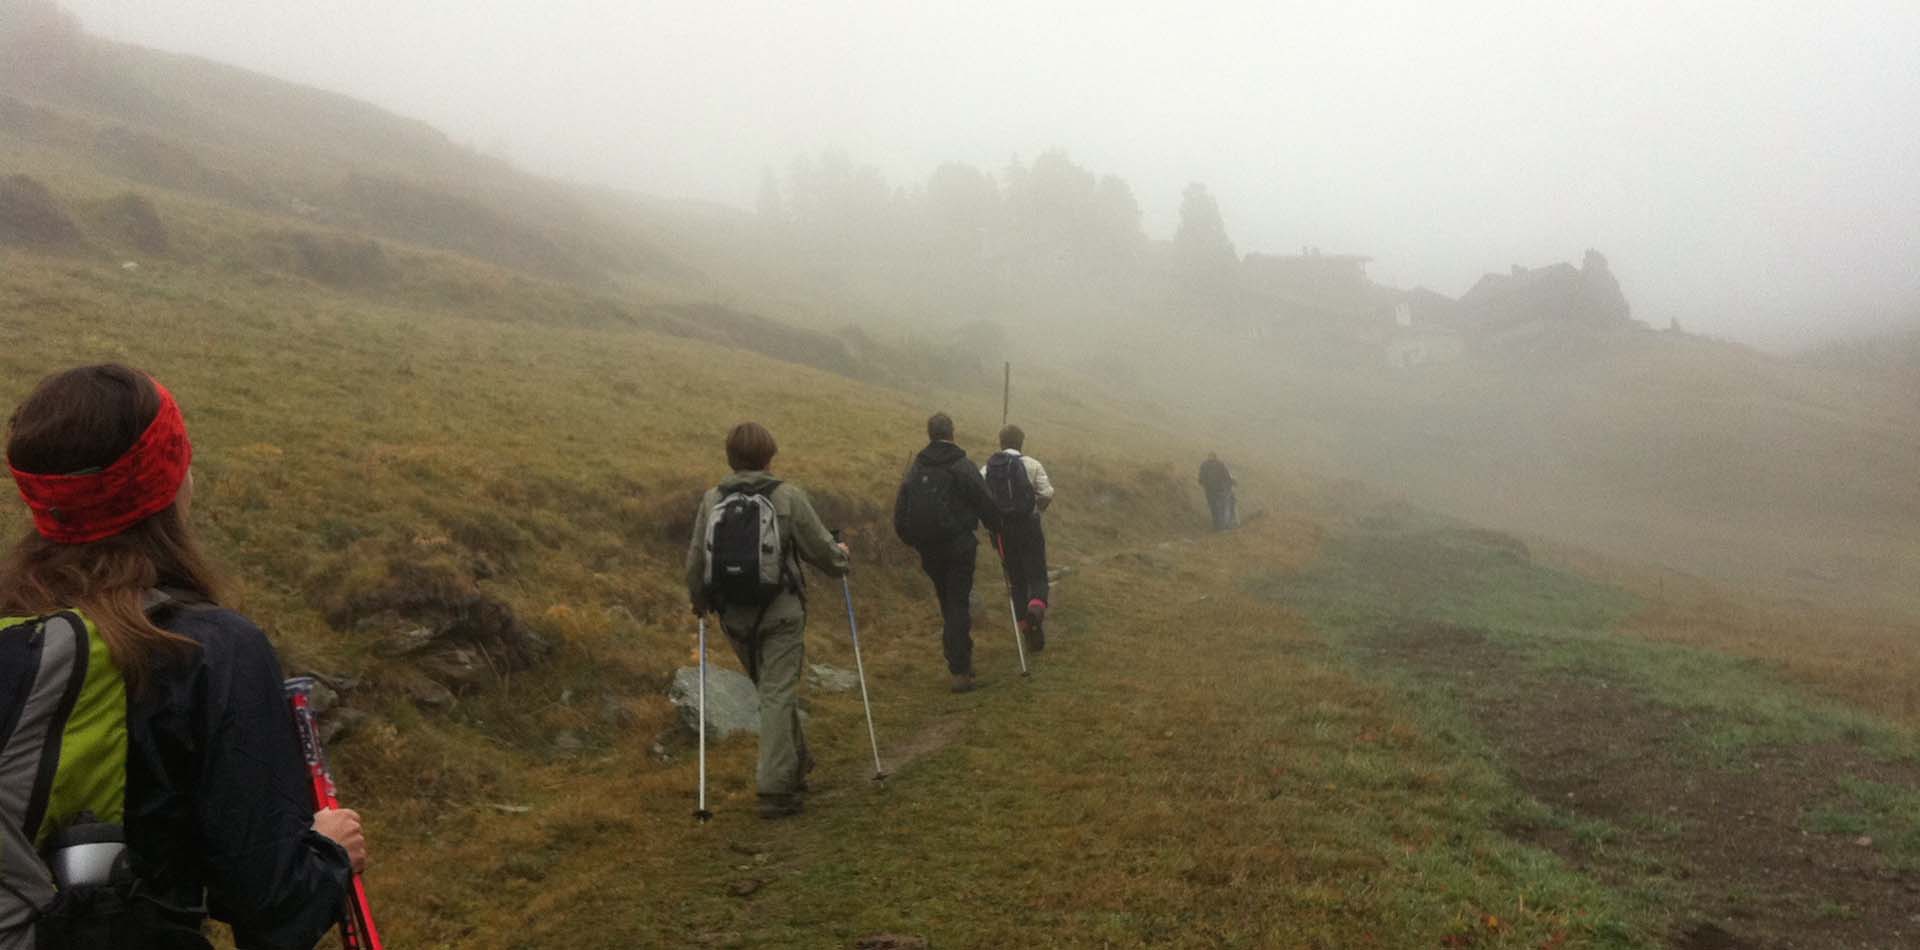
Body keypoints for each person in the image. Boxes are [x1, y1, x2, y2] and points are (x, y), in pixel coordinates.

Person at [0, 364, 364, 949]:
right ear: (167, 483)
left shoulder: (13, 629)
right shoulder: (208, 649)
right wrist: (329, 851)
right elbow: (273, 909)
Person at [684, 422, 849, 819]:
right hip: (780, 613)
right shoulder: (787, 497)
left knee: (772, 692)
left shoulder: (712, 499)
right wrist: (842, 556)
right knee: (777, 694)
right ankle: (775, 789)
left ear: (730, 457)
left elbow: (695, 561)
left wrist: (699, 601)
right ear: (769, 456)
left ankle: (796, 763)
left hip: (733, 618)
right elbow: (822, 552)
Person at [893, 412, 1001, 693]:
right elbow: (984, 499)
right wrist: (996, 527)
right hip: (958, 544)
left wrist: (912, 540)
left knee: (947, 601)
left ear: (930, 434)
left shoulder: (917, 467)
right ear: (952, 432)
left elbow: (901, 511)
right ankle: (960, 670)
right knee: (957, 603)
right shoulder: (961, 464)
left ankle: (960, 660)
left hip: (928, 547)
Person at [982, 425, 1054, 653]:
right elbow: (1047, 493)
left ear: (1001, 442)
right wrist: (1036, 510)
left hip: (1004, 532)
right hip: (1029, 527)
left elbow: (981, 497)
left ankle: (1027, 630)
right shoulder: (1032, 464)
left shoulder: (988, 469)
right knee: (1038, 575)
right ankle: (1035, 610)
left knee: (1017, 582)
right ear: (1021, 442)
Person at [1199, 452, 1236, 531]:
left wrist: (1204, 483)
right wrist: (1232, 482)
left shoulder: (1205, 465)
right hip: (1218, 491)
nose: (1211, 458)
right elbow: (1226, 475)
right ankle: (1222, 526)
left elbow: (1200, 479)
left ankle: (1218, 526)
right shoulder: (1219, 464)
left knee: (1214, 508)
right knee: (1221, 508)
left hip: (1211, 491)